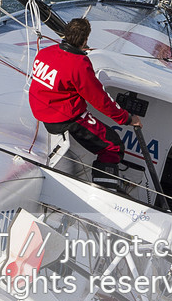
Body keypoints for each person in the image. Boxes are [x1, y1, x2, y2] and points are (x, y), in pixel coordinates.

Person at [29, 18, 141, 188]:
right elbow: (100, 99)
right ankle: (105, 190)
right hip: (64, 118)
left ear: (65, 35)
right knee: (113, 146)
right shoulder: (79, 64)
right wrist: (126, 118)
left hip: (42, 112)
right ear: (85, 40)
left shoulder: (46, 52)